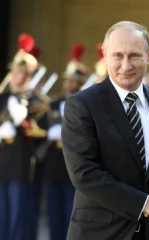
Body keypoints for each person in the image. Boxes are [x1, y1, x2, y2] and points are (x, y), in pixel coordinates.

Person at [61, 21, 149, 240]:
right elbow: (84, 173)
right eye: (117, 56)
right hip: (100, 234)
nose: (126, 65)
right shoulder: (82, 104)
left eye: (134, 55)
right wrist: (145, 204)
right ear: (104, 54)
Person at [0, 33, 50, 240]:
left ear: (27, 75)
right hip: (3, 161)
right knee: (2, 215)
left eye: (17, 71)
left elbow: (42, 133)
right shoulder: (3, 97)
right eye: (12, 70)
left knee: (19, 215)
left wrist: (22, 123)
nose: (12, 74)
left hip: (22, 162)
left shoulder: (36, 100)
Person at [43, 43, 87, 240]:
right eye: (67, 80)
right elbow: (44, 129)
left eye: (73, 80)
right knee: (54, 213)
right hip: (54, 162)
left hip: (74, 165)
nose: (68, 84)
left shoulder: (84, 104)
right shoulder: (53, 103)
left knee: (71, 213)